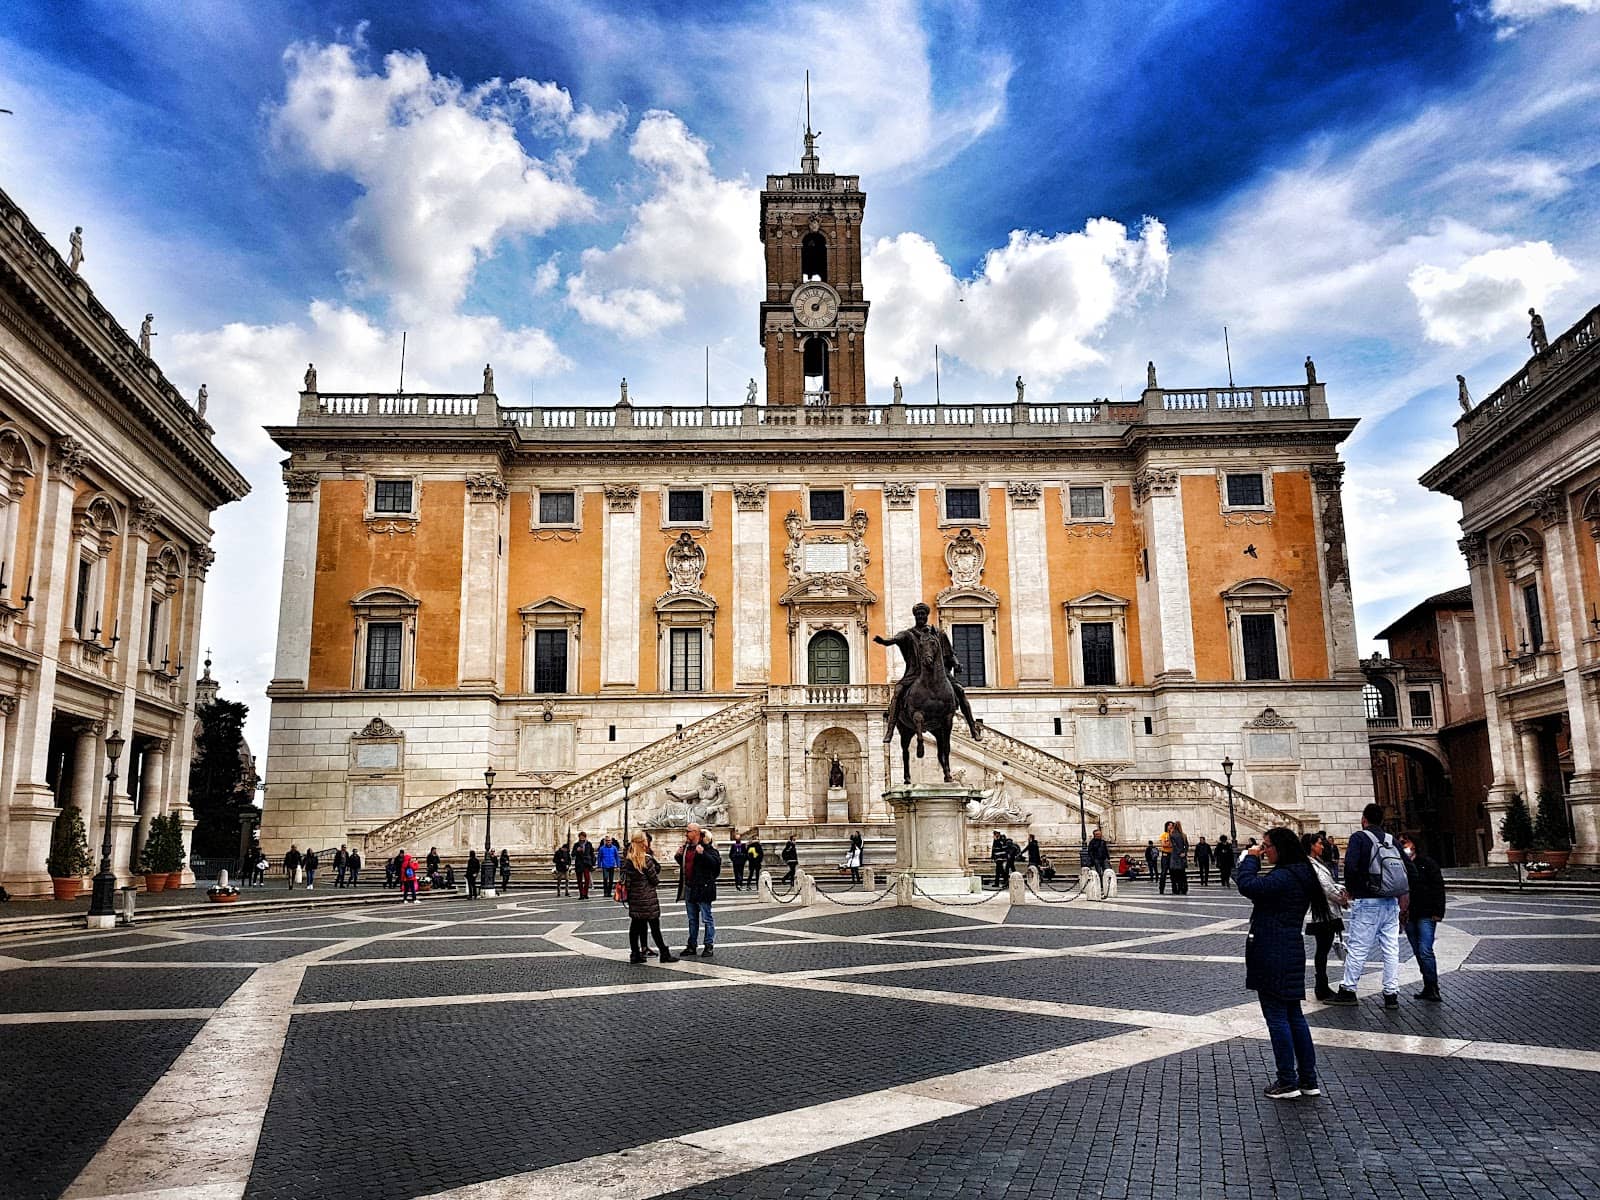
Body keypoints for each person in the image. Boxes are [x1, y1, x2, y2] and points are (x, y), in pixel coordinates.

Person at [1237, 827, 1332, 1100]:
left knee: (1277, 1017)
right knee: (1294, 1016)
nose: (1264, 850)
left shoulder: (1283, 876)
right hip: (1290, 949)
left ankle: (1287, 1082)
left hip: (1271, 951)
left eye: (1267, 846)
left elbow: (1247, 886)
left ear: (1280, 847)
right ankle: (1308, 1079)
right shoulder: (1303, 873)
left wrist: (1251, 859)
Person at [1327, 804, 1407, 1008]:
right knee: (1391, 949)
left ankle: (1348, 989)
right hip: (1391, 902)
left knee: (1358, 948)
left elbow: (1351, 867)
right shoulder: (1392, 841)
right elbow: (1410, 869)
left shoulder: (1359, 838)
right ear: (1381, 821)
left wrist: (1354, 889)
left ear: (1364, 819)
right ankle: (1391, 994)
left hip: (1368, 902)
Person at [1303, 832, 1348, 1000]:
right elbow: (1325, 887)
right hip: (1324, 912)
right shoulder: (1311, 864)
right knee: (1322, 949)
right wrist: (1341, 898)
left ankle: (1321, 984)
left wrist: (1338, 890)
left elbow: (1328, 884)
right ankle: (1321, 986)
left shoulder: (1315, 862)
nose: (1322, 846)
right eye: (1319, 843)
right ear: (1312, 846)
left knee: (1323, 949)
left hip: (1325, 911)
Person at [1400, 835, 1446, 1002]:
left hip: (1427, 914)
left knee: (1426, 950)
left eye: (1405, 842)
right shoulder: (1400, 866)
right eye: (1400, 843)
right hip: (1409, 915)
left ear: (1414, 845)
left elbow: (1438, 888)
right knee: (1418, 952)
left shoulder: (1428, 863)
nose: (1403, 845)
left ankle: (1433, 987)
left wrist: (1438, 912)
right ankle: (1427, 985)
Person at [621, 832, 677, 963]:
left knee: (635, 927)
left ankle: (635, 954)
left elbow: (627, 881)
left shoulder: (628, 859)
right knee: (655, 927)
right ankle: (664, 953)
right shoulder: (646, 859)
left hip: (635, 898)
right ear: (642, 843)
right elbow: (655, 880)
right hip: (648, 898)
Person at [675, 822, 722, 957]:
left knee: (707, 918)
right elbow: (687, 866)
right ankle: (692, 945)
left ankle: (708, 945)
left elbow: (715, 866)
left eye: (688, 831)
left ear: (696, 833)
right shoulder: (686, 849)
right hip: (690, 888)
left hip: (703, 889)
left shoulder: (707, 849)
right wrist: (678, 856)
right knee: (692, 919)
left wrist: (703, 854)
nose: (686, 833)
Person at [1168, 821, 1190, 895]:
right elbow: (1187, 845)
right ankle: (1184, 888)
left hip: (1175, 856)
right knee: (1182, 874)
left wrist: (1179, 852)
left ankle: (1176, 889)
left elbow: (1174, 845)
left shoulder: (1172, 835)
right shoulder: (1184, 835)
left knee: (1174, 874)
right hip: (1182, 857)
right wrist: (1184, 853)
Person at [573, 832, 596, 899]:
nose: (581, 838)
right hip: (579, 864)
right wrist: (577, 850)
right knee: (579, 880)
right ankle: (581, 894)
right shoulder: (576, 845)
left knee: (587, 879)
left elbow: (592, 854)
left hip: (586, 863)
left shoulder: (589, 844)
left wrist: (593, 863)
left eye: (583, 836)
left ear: (585, 837)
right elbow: (572, 854)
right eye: (580, 836)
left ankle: (585, 893)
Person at [1157, 822, 1174, 893]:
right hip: (1165, 855)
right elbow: (1163, 844)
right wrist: (1170, 844)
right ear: (1166, 826)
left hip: (1172, 855)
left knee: (1173, 872)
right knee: (1163, 872)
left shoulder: (1174, 835)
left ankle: (1174, 888)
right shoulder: (1164, 835)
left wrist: (1169, 844)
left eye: (1172, 826)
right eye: (1169, 825)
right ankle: (1161, 888)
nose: (1170, 827)